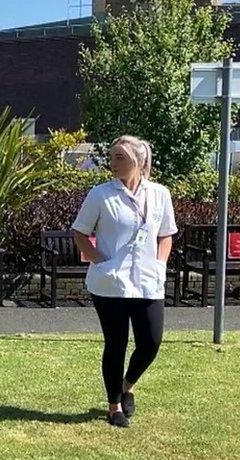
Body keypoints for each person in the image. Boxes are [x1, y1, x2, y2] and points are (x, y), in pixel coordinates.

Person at [72, 136, 177, 428]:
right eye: (112, 156)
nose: (113, 163)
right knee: (115, 343)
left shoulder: (159, 194)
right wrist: (100, 261)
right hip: (111, 283)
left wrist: (159, 263)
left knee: (151, 342)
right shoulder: (100, 194)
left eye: (120, 157)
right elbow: (80, 232)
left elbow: (166, 233)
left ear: (139, 162)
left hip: (147, 281)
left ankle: (127, 384)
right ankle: (114, 406)